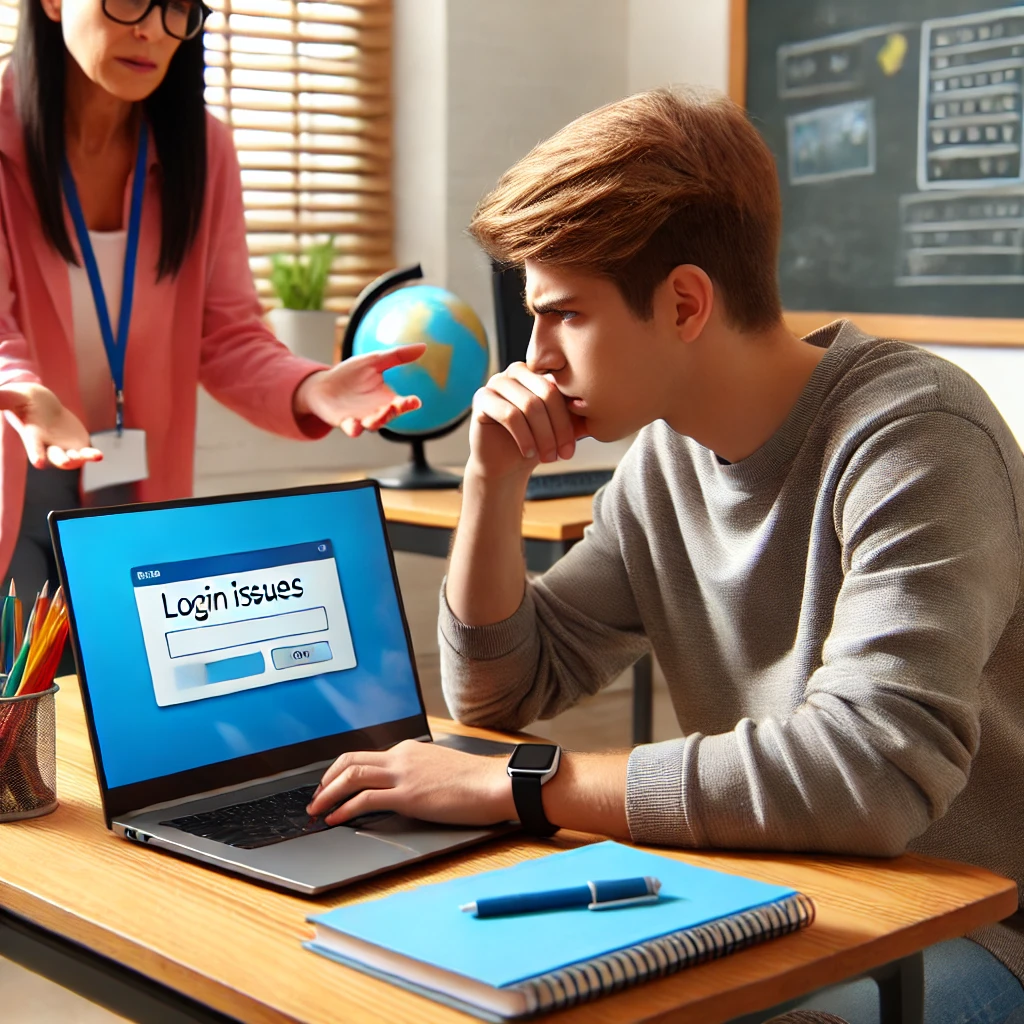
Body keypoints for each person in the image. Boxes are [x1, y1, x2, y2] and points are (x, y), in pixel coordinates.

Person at [305, 88, 1024, 1021]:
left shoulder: (915, 435)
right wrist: (492, 481)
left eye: (564, 316)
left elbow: (870, 773)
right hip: (777, 893)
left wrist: (525, 786)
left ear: (685, 303)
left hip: (966, 929)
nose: (535, 359)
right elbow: (506, 692)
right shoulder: (665, 459)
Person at [0, 0, 424, 603]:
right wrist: (27, 392)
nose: (151, 28)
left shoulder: (200, 149)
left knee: (124, 693)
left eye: (176, 7)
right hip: (14, 478)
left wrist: (309, 387)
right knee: (22, 697)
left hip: (136, 482)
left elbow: (226, 332)